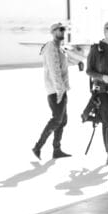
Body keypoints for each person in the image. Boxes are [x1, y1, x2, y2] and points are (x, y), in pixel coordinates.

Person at [33, 22, 71, 160]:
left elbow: (63, 66)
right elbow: (54, 70)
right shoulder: (51, 47)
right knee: (56, 119)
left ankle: (57, 150)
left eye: (64, 30)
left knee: (62, 120)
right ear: (53, 31)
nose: (63, 32)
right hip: (55, 90)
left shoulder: (59, 48)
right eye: (60, 30)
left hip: (60, 89)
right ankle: (38, 147)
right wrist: (60, 90)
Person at [85, 21, 108, 151]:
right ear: (106, 31)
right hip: (102, 91)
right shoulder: (95, 49)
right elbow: (89, 71)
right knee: (105, 122)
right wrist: (102, 77)